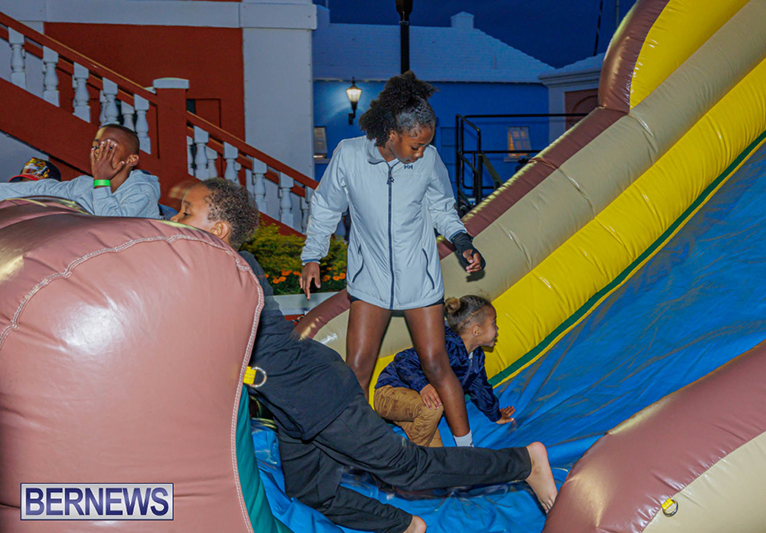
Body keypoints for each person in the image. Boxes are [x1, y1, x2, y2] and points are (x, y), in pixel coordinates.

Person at [171, 178, 557, 533]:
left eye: (186, 213)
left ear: (218, 231)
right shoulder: (219, 271)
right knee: (311, 490)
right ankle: (405, 526)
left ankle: (525, 462)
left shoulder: (235, 272)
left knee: (408, 469)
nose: (175, 219)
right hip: (292, 407)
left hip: (319, 396)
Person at [300, 71, 484, 447]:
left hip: (419, 277)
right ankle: (354, 448)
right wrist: (313, 255)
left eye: (425, 145)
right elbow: (326, 206)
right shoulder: (349, 154)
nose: (421, 153)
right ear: (392, 133)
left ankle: (467, 451)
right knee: (358, 366)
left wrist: (463, 241)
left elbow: (442, 208)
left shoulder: (428, 161)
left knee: (435, 362)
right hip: (370, 278)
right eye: (415, 145)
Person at [374, 295, 514, 447]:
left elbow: (480, 389)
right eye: (494, 323)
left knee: (436, 455)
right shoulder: (443, 346)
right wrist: (423, 386)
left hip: (419, 408)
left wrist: (496, 415)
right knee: (434, 406)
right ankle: (410, 457)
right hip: (389, 393)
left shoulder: (476, 357)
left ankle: (413, 456)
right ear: (476, 330)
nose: (497, 329)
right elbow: (403, 359)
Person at [0, 124, 160, 218]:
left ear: (132, 160)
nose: (100, 152)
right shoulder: (83, 185)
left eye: (109, 147)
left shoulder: (142, 191)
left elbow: (111, 224)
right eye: (96, 146)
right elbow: (41, 189)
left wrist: (101, 180)